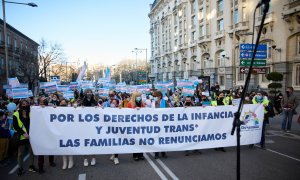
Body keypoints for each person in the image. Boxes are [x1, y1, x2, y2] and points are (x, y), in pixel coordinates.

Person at [13, 99, 38, 176]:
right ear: (20, 105)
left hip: (31, 137)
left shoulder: (31, 113)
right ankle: (20, 168)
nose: (24, 105)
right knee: (20, 154)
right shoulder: (16, 114)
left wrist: (51, 106)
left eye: (26, 104)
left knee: (31, 152)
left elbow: (42, 112)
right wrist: (24, 133)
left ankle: (31, 166)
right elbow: (15, 126)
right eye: (23, 104)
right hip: (22, 137)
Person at [38, 97, 56, 173]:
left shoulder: (50, 107)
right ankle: (40, 167)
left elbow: (55, 110)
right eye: (41, 101)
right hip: (40, 133)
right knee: (41, 152)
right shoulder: (35, 109)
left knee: (50, 149)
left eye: (44, 101)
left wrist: (55, 108)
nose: (43, 102)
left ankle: (51, 162)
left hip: (49, 132)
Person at [127, 91, 145, 161]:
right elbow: (127, 113)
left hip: (141, 124)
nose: (139, 97)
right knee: (135, 140)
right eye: (138, 96)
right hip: (133, 125)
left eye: (140, 96)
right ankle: (135, 155)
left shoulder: (142, 103)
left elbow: (146, 112)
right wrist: (134, 110)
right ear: (134, 97)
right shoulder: (130, 104)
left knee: (141, 140)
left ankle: (141, 154)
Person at [82, 88, 98, 166]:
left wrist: (98, 107)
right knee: (85, 142)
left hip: (93, 125)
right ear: (85, 93)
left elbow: (100, 107)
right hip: (84, 125)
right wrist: (76, 106)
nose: (89, 93)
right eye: (88, 92)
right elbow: (74, 107)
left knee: (93, 142)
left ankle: (93, 158)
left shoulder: (94, 101)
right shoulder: (81, 101)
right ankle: (85, 159)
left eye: (90, 92)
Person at [59, 99, 74, 170]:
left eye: (64, 103)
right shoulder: (57, 109)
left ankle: (71, 161)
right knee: (62, 146)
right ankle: (64, 162)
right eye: (62, 103)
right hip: (60, 130)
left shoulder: (70, 109)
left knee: (69, 145)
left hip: (69, 130)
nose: (63, 104)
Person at [153, 91, 168, 159]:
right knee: (156, 138)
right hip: (155, 122)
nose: (155, 97)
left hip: (163, 122)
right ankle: (156, 153)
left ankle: (163, 152)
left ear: (159, 96)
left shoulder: (164, 102)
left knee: (162, 138)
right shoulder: (153, 102)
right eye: (154, 96)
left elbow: (170, 110)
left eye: (156, 96)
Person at [109, 99, 120, 165]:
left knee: (116, 142)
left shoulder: (119, 109)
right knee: (111, 142)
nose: (113, 103)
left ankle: (116, 157)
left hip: (117, 129)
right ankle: (113, 154)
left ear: (117, 104)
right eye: (112, 102)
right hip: (110, 129)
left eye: (114, 103)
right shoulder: (108, 109)